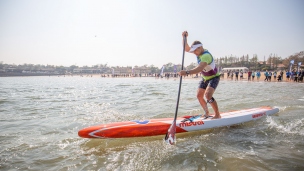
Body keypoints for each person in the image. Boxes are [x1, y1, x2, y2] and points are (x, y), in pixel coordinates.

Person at [178, 31, 221, 119]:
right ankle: (207, 112)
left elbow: (200, 68)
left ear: (201, 47)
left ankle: (217, 115)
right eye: (193, 51)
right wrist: (184, 37)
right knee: (199, 95)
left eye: (195, 50)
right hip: (205, 77)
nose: (194, 52)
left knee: (208, 95)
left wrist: (186, 72)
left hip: (214, 77)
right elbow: (186, 48)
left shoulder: (206, 56)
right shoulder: (197, 51)